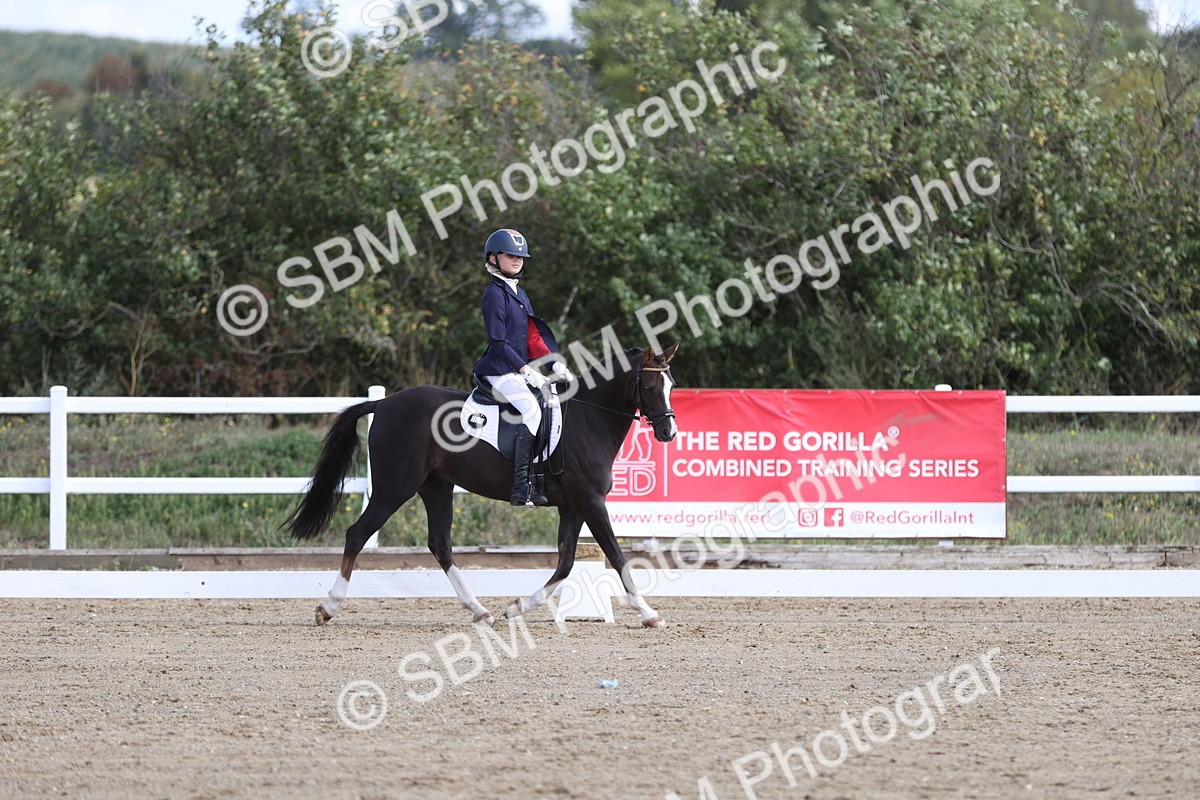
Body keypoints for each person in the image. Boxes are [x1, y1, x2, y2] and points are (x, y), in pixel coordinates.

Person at [472, 229, 574, 506]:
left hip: (515, 369)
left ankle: (539, 479)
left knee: (550, 404)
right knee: (531, 410)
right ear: (493, 258)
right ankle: (520, 487)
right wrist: (525, 370)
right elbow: (498, 342)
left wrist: (554, 363)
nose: (517, 260)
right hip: (498, 371)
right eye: (510, 255)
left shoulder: (519, 293)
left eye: (520, 256)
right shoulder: (494, 295)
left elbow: (532, 338)